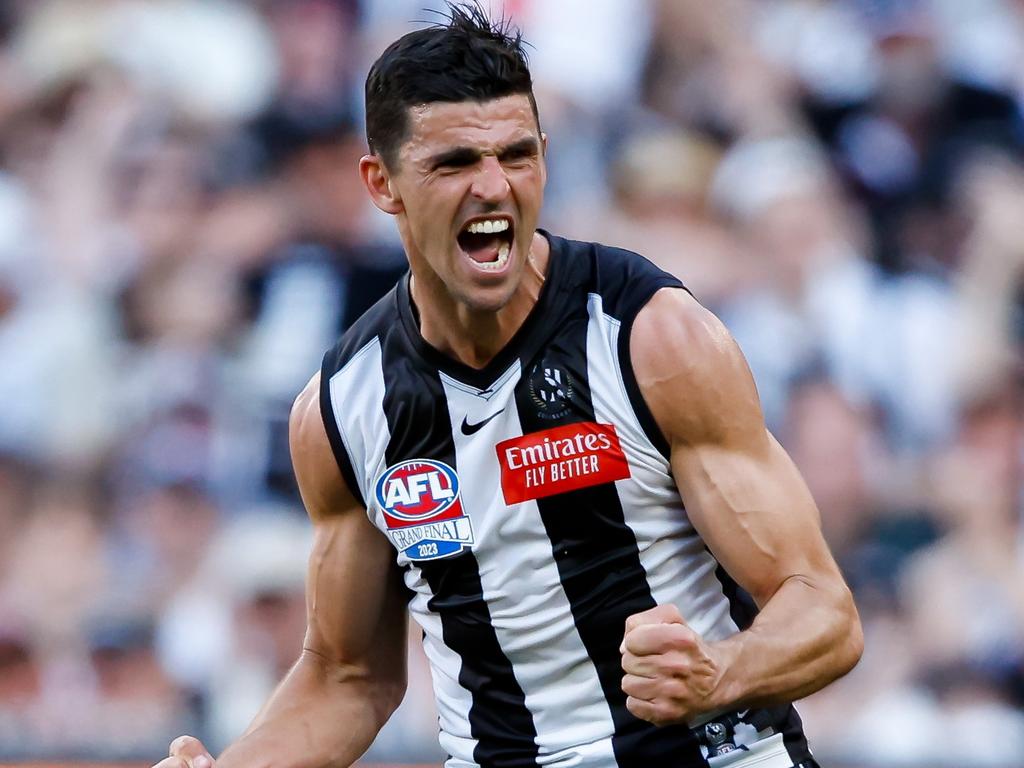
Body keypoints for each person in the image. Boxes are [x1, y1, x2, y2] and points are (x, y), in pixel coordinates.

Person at [154, 6, 862, 768]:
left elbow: (824, 611)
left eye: (517, 155)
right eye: (455, 162)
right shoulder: (341, 409)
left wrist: (719, 672)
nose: (494, 187)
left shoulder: (649, 336)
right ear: (381, 183)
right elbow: (348, 677)